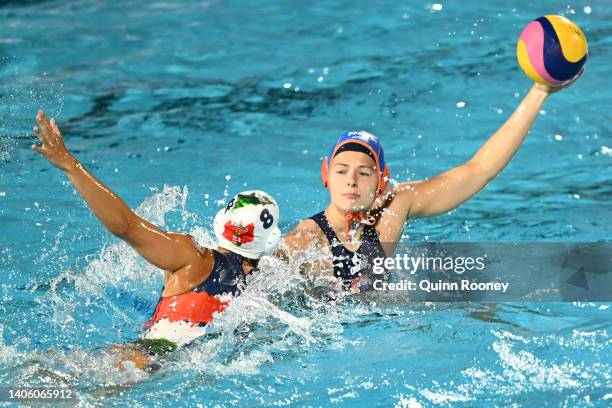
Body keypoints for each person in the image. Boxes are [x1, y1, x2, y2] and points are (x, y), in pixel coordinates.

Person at [31, 111, 281, 370]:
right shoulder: (262, 286)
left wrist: (69, 163)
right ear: (267, 241)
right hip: (179, 369)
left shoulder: (193, 259)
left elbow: (125, 226)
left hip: (141, 359)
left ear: (222, 222)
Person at [277, 80, 581, 293]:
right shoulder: (308, 237)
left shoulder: (393, 208)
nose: (352, 181)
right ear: (326, 174)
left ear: (382, 179)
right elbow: (263, 273)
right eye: (342, 171)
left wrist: (541, 91)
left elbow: (479, 170)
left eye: (364, 173)